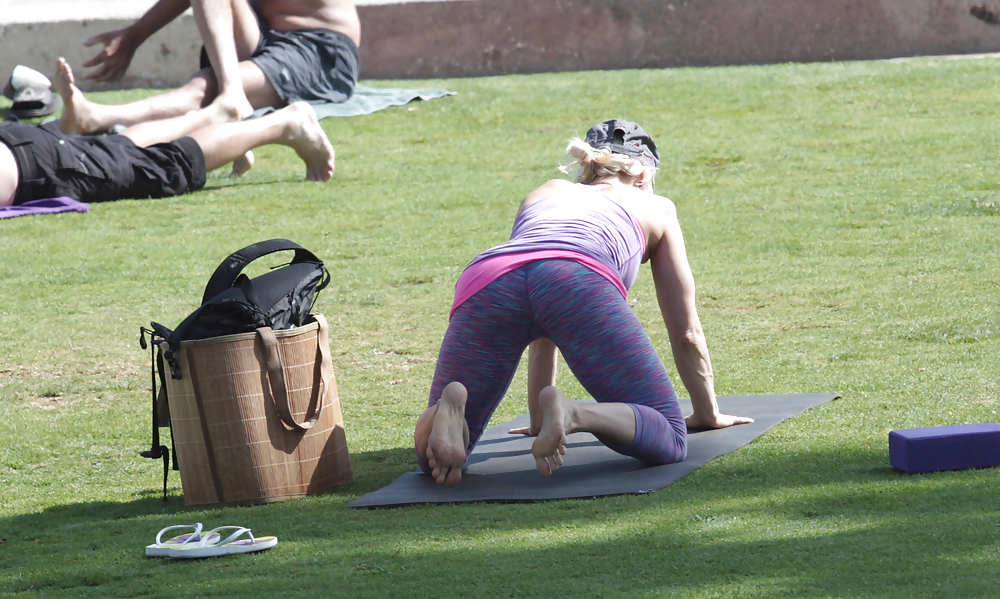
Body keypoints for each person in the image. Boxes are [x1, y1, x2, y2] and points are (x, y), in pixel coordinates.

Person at [413, 119, 754, 487]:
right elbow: (685, 331)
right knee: (670, 437)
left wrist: (538, 418)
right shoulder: (656, 206)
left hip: (489, 277)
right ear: (644, 175)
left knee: (434, 464)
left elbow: (538, 316)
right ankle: (575, 414)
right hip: (574, 277)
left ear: (587, 167)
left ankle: (447, 410)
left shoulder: (547, 190)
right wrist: (706, 413)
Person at [1, 59, 335, 208]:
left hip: (38, 164)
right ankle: (213, 116)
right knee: (119, 151)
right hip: (28, 151)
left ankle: (284, 124)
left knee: (167, 167)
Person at [57, 0, 360, 137]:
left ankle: (97, 117)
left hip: (319, 49)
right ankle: (232, 93)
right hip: (264, 33)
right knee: (209, 87)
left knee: (203, 88)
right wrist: (133, 36)